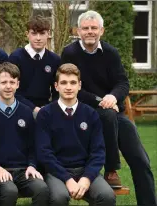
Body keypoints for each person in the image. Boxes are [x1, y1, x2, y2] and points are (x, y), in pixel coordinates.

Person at [61, 10, 156, 206]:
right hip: (84, 113)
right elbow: (71, 87)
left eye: (94, 28)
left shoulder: (110, 53)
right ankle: (111, 170)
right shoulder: (70, 53)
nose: (90, 32)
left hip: (112, 111)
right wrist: (101, 100)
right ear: (78, 31)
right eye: (85, 28)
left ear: (101, 31)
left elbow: (122, 83)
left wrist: (112, 96)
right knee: (107, 114)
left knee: (141, 160)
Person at [35, 63, 115, 206]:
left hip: (85, 170)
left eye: (73, 82)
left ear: (79, 85)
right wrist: (67, 179)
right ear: (56, 86)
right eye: (63, 82)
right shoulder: (45, 114)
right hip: (56, 172)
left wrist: (87, 178)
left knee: (106, 196)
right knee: (59, 197)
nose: (68, 87)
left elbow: (98, 152)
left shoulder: (91, 114)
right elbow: (44, 153)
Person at [0, 62, 49, 206]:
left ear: (18, 84)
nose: (8, 86)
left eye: (12, 82)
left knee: (42, 189)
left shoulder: (26, 112)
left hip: (23, 170)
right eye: (4, 82)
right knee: (9, 191)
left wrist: (32, 165)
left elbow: (33, 146)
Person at [9, 15, 61, 118]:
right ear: (27, 34)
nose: (38, 38)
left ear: (48, 34)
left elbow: (57, 91)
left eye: (42, 33)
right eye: (34, 33)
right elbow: (11, 90)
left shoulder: (55, 60)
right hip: (19, 109)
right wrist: (33, 108)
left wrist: (48, 108)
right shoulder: (15, 58)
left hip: (47, 110)